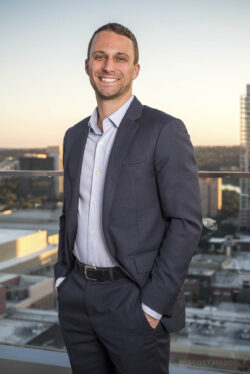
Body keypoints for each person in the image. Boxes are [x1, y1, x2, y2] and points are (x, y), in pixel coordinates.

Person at [54, 22, 202, 374]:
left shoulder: (163, 130)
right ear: (87, 65)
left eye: (120, 58)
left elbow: (186, 223)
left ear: (135, 70)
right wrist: (62, 279)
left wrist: (152, 306)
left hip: (132, 299)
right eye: (100, 57)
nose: (109, 66)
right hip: (77, 296)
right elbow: (69, 212)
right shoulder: (74, 136)